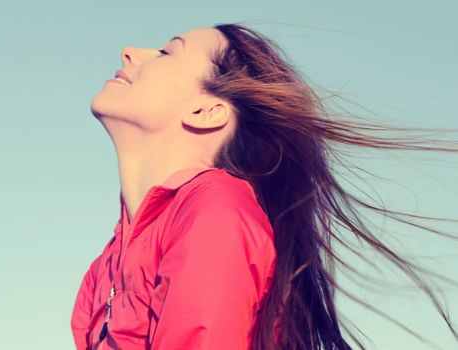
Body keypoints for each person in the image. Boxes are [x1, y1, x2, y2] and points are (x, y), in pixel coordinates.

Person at [70, 24, 456, 349]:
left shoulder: (215, 212)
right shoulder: (109, 260)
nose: (130, 52)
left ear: (206, 111)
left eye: (166, 53)